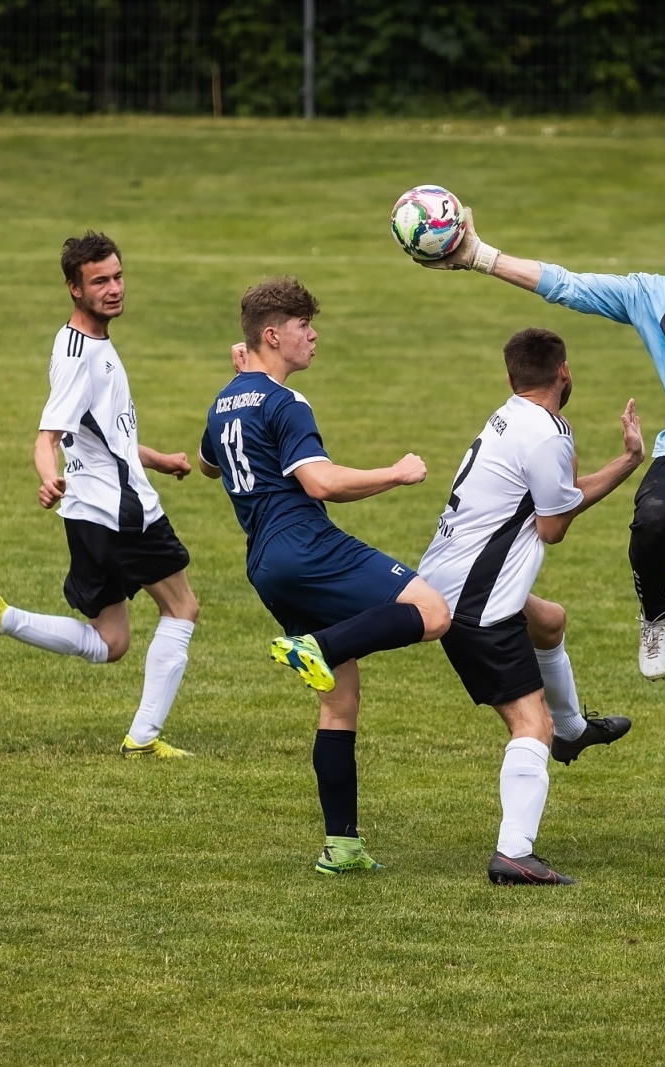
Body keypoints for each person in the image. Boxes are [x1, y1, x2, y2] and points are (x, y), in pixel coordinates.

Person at [421, 189, 665, 833]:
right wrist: (480, 256)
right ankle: (654, 613)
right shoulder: (653, 296)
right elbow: (567, 285)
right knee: (654, 518)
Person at [198, 276, 451, 875]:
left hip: (265, 564)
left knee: (339, 703)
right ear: (271, 336)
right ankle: (318, 646)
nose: (312, 336)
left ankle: (342, 846)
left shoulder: (223, 400)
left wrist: (240, 378)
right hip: (306, 545)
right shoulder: (286, 402)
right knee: (434, 612)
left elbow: (210, 465)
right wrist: (396, 472)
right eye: (302, 326)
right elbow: (321, 483)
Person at [0, 231, 200, 760]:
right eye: (99, 281)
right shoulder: (79, 357)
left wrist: (158, 458)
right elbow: (47, 438)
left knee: (111, 641)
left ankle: (3, 617)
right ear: (74, 288)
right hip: (122, 512)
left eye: (118, 276)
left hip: (86, 514)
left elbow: (101, 434)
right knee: (182, 608)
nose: (114, 288)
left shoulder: (79, 343)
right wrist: (47, 476)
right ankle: (143, 740)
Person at [419, 327, 644, 885]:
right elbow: (553, 525)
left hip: (444, 579)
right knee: (529, 724)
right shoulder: (547, 434)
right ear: (564, 372)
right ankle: (514, 852)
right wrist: (628, 461)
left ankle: (572, 730)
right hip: (476, 600)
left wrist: (614, 461)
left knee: (549, 621)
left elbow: (551, 496)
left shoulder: (509, 416)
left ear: (511, 376)